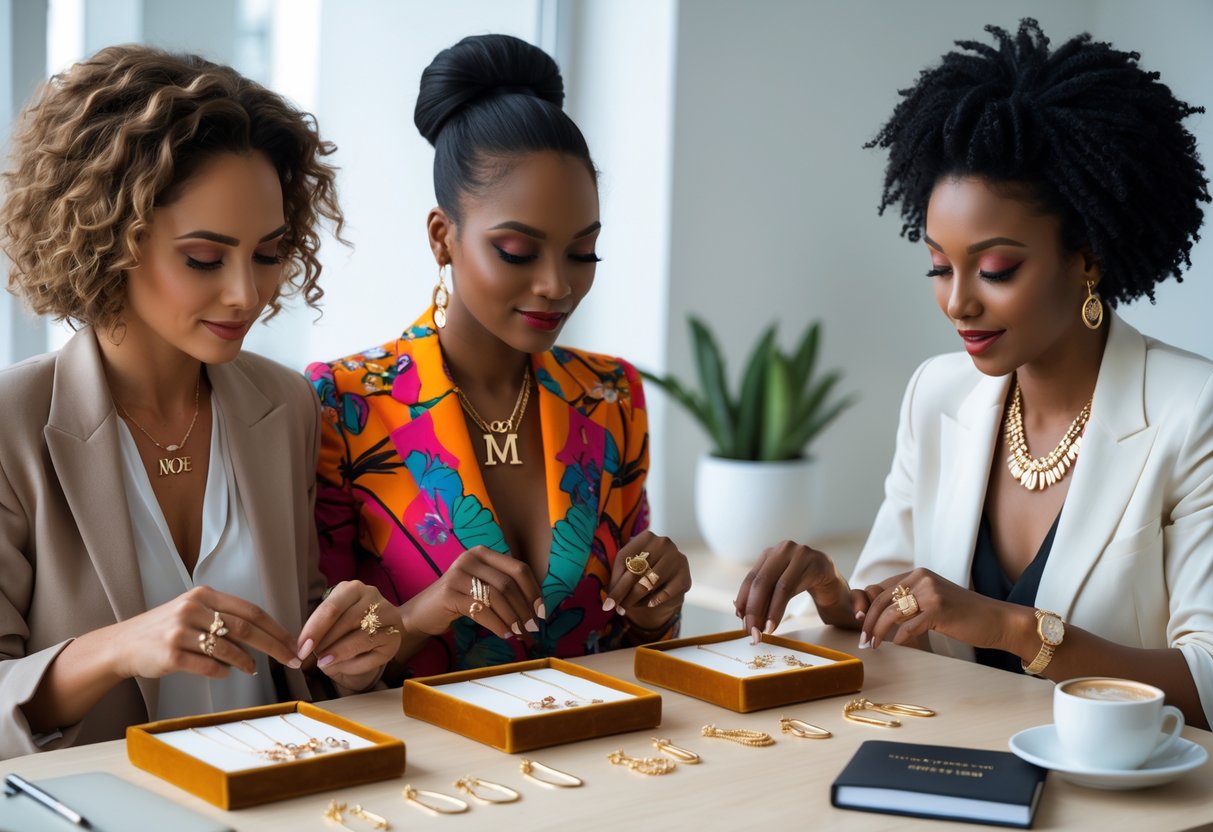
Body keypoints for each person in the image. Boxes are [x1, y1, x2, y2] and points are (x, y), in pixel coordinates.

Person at [734, 19, 1213, 728]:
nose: (956, 301)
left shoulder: (1190, 410)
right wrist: (834, 596)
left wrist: (1013, 628)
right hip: (952, 769)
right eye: (937, 265)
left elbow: (1205, 683)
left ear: (1087, 256)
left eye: (994, 269)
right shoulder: (937, 395)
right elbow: (895, 618)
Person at [0, 46, 401, 759]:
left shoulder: (284, 405)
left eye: (270, 253)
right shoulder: (13, 423)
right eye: (205, 259)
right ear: (108, 238)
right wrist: (119, 648)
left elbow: (296, 649)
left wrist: (353, 651)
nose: (246, 294)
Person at [308, 34, 690, 678]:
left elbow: (632, 645)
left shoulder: (610, 394)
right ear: (443, 237)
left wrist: (655, 609)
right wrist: (423, 612)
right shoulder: (344, 405)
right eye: (517, 250)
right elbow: (317, 660)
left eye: (582, 252)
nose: (556, 285)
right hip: (422, 768)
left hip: (601, 759)